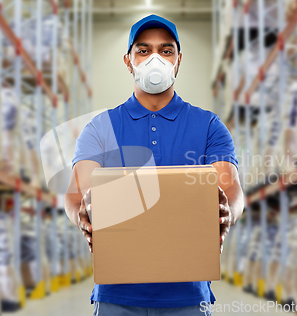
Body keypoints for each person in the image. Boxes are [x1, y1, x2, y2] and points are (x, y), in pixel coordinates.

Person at [65, 14, 244, 316]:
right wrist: (81, 213)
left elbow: (230, 188)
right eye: (144, 50)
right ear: (128, 60)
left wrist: (230, 212)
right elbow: (76, 193)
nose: (155, 59)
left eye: (166, 50)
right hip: (115, 295)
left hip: (188, 295)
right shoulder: (100, 127)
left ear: (178, 59)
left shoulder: (209, 125)